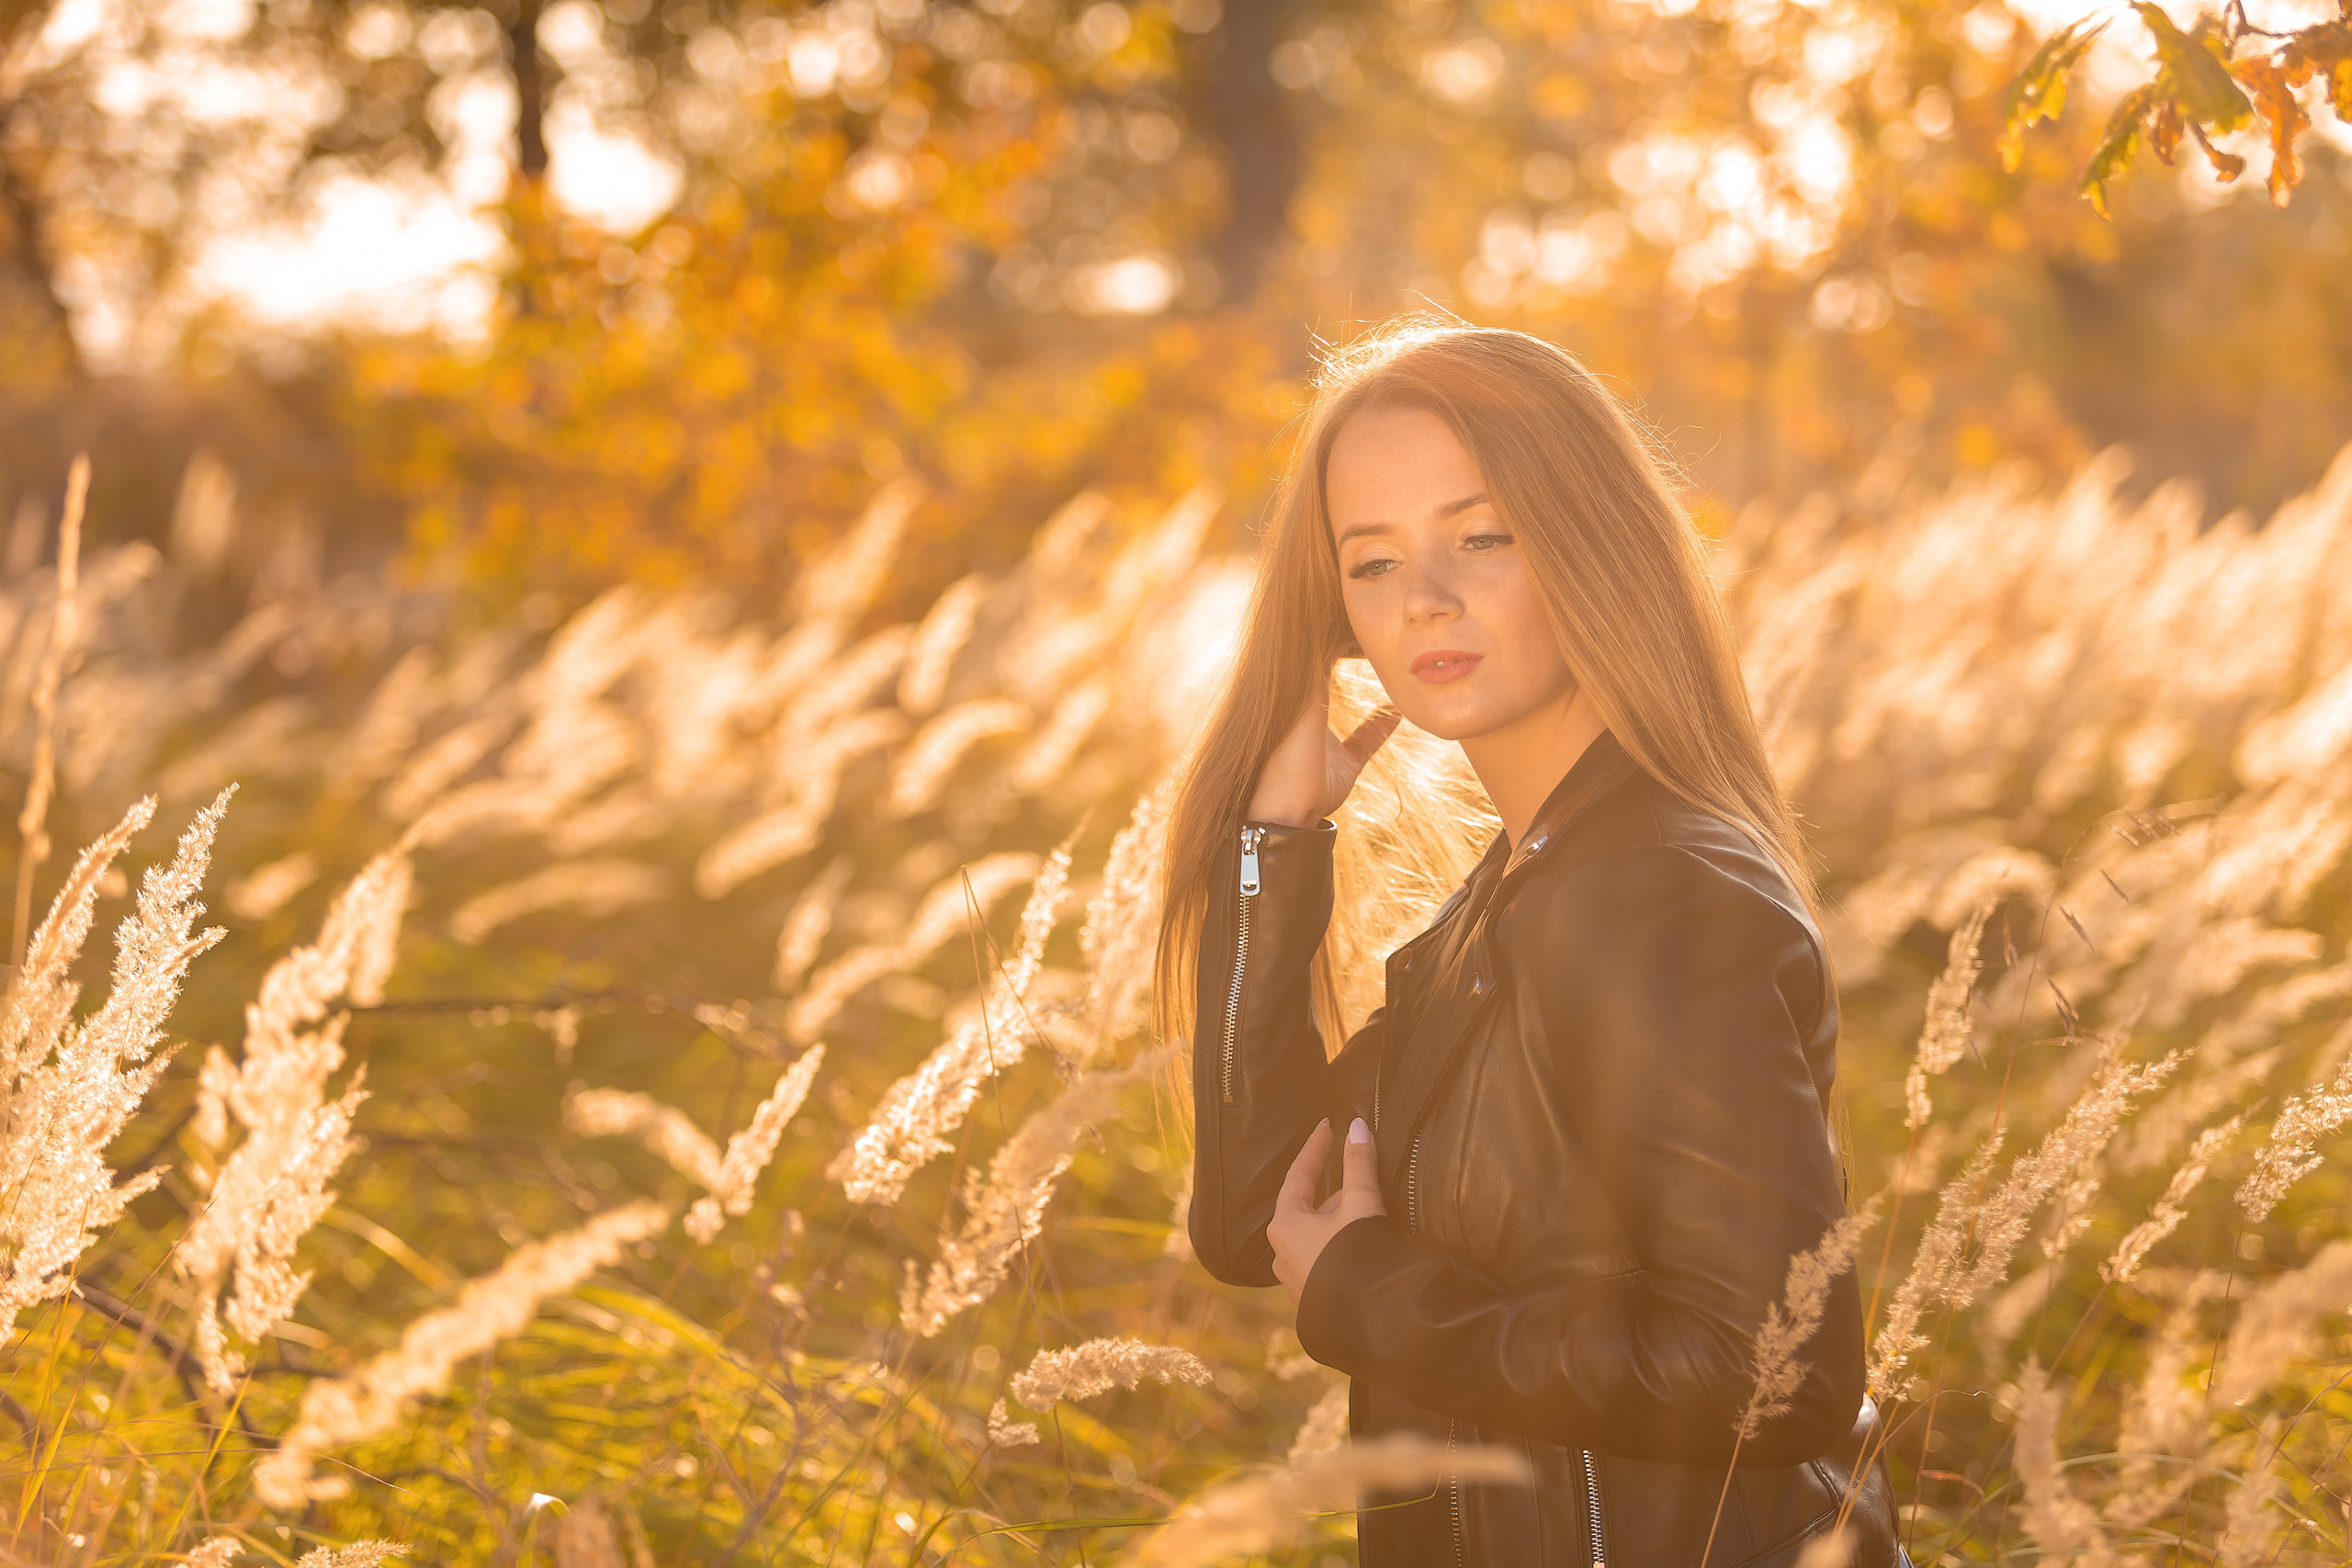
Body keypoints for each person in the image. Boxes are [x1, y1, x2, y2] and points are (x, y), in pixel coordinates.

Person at [1153, 320, 1902, 1566]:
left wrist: (1378, 1291)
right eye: (1373, 563)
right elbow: (1251, 1219)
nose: (1426, 599)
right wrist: (1276, 844)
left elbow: (1774, 1380)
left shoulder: (1657, 894)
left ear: (1590, 544)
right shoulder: (1508, 910)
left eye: (1481, 536)